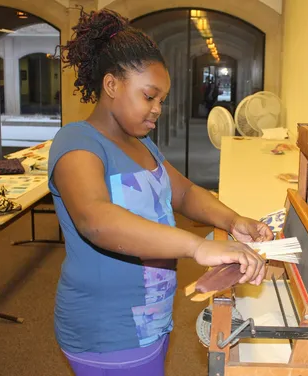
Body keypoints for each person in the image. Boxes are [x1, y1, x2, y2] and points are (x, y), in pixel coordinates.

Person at [48, 8, 273, 376]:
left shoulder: (142, 143)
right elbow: (96, 219)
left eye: (161, 100)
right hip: (108, 331)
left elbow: (182, 193)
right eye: (149, 97)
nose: (157, 110)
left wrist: (233, 220)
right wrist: (198, 246)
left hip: (150, 320)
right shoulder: (76, 143)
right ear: (111, 86)